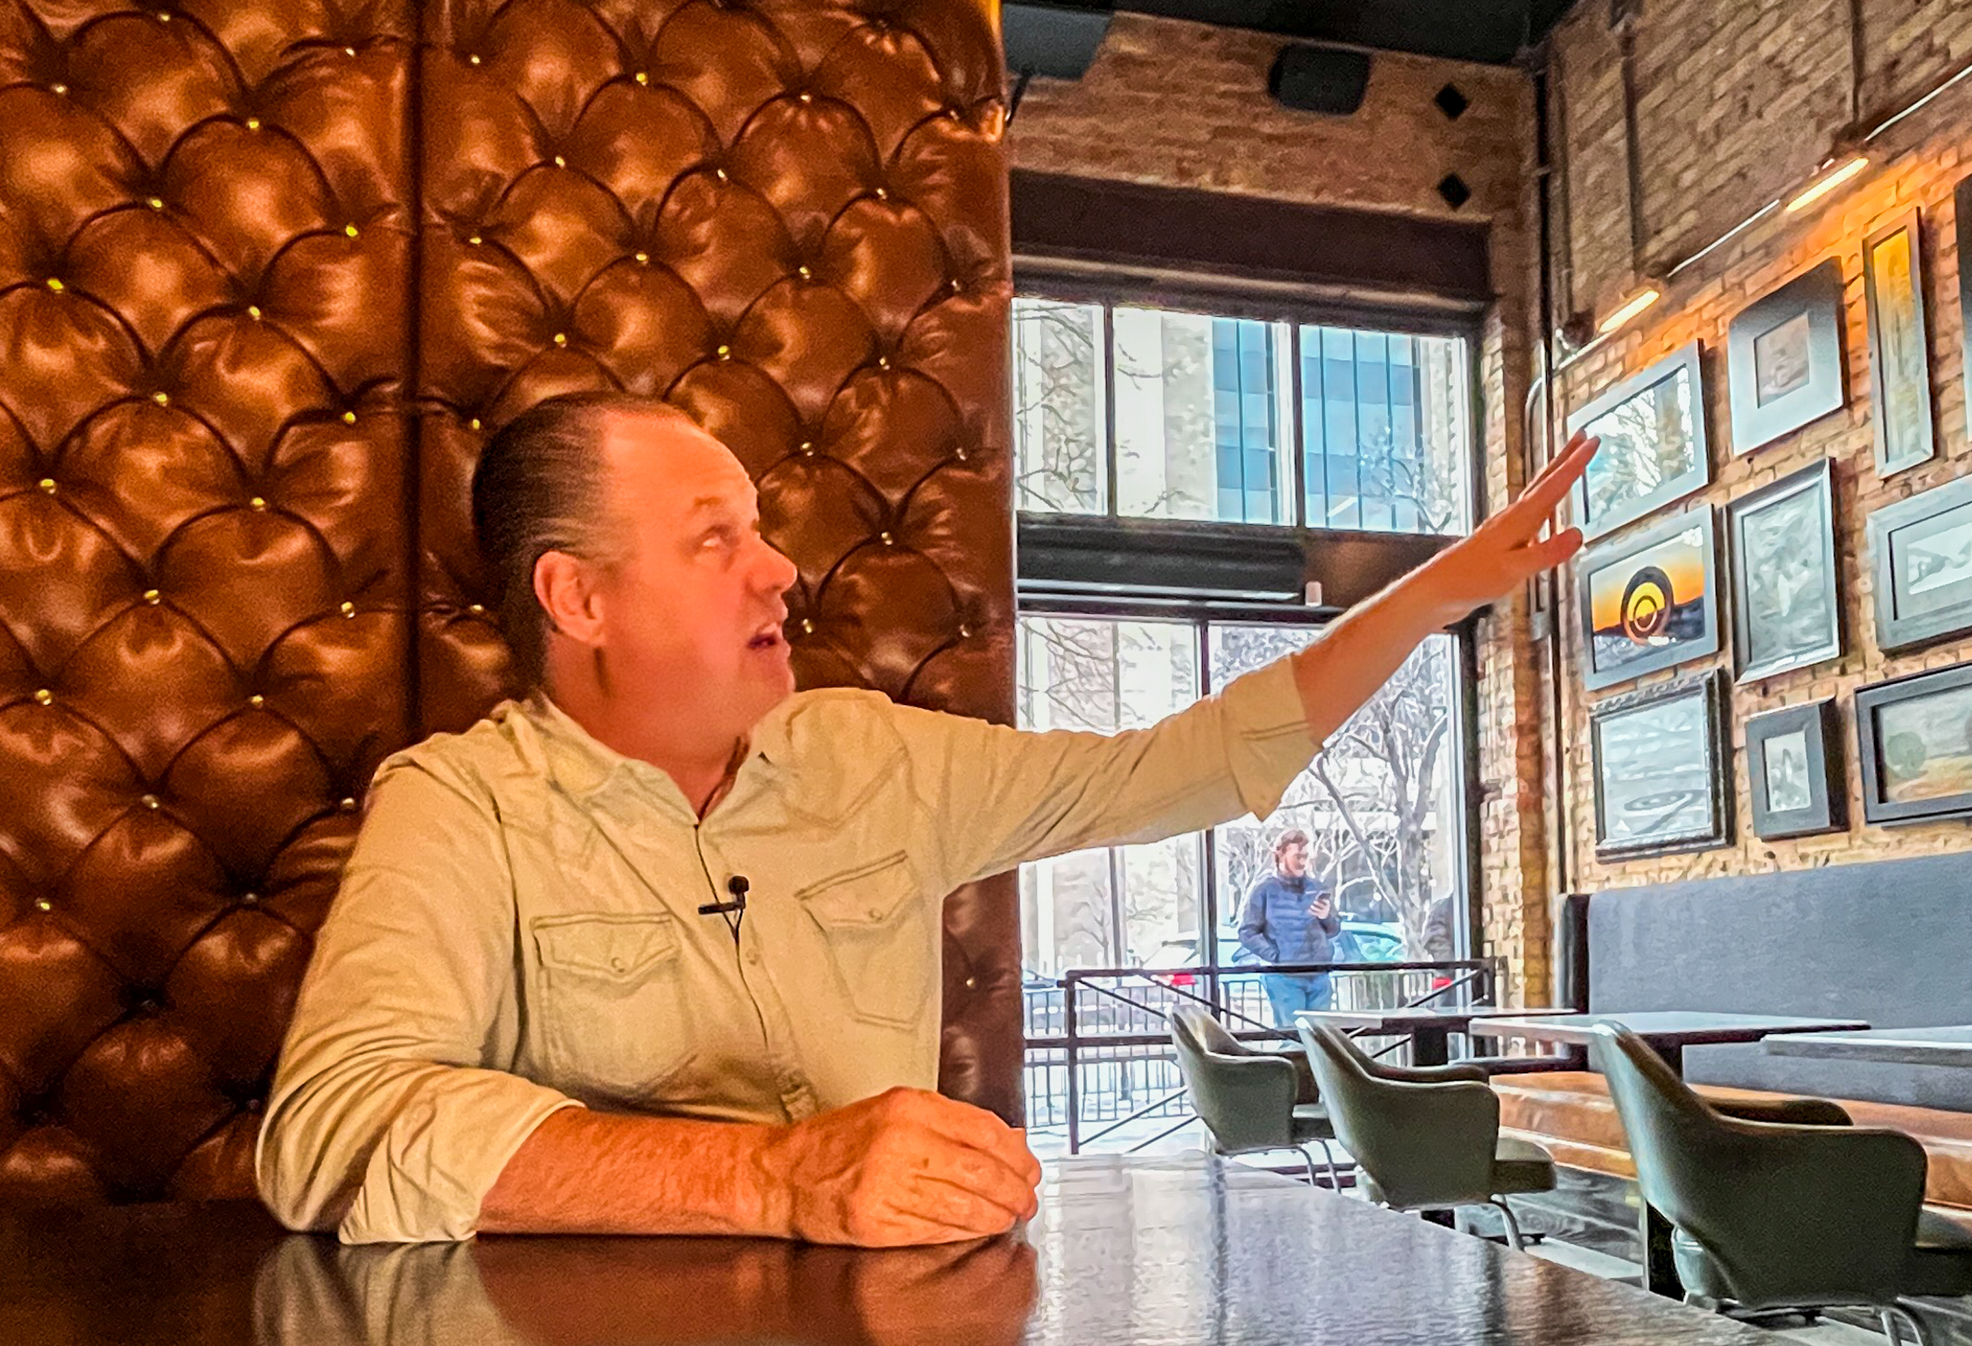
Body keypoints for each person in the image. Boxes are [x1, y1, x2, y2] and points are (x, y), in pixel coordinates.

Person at [255, 392, 1593, 1248]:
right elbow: (333, 1127)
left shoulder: (871, 755)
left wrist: (1439, 591)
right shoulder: (461, 803)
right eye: (713, 536)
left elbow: (1178, 763)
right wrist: (768, 1177)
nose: (780, 564)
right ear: (580, 598)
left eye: (762, 527)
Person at [1236, 830, 1341, 1026]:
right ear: (1280, 855)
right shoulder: (1263, 890)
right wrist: (1276, 957)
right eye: (1297, 856)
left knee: (1324, 1038)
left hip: (1319, 974)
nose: (1303, 862)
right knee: (1292, 1037)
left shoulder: (1317, 887)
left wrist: (1326, 917)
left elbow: (1334, 929)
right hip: (1284, 977)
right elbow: (1247, 932)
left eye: (1306, 856)